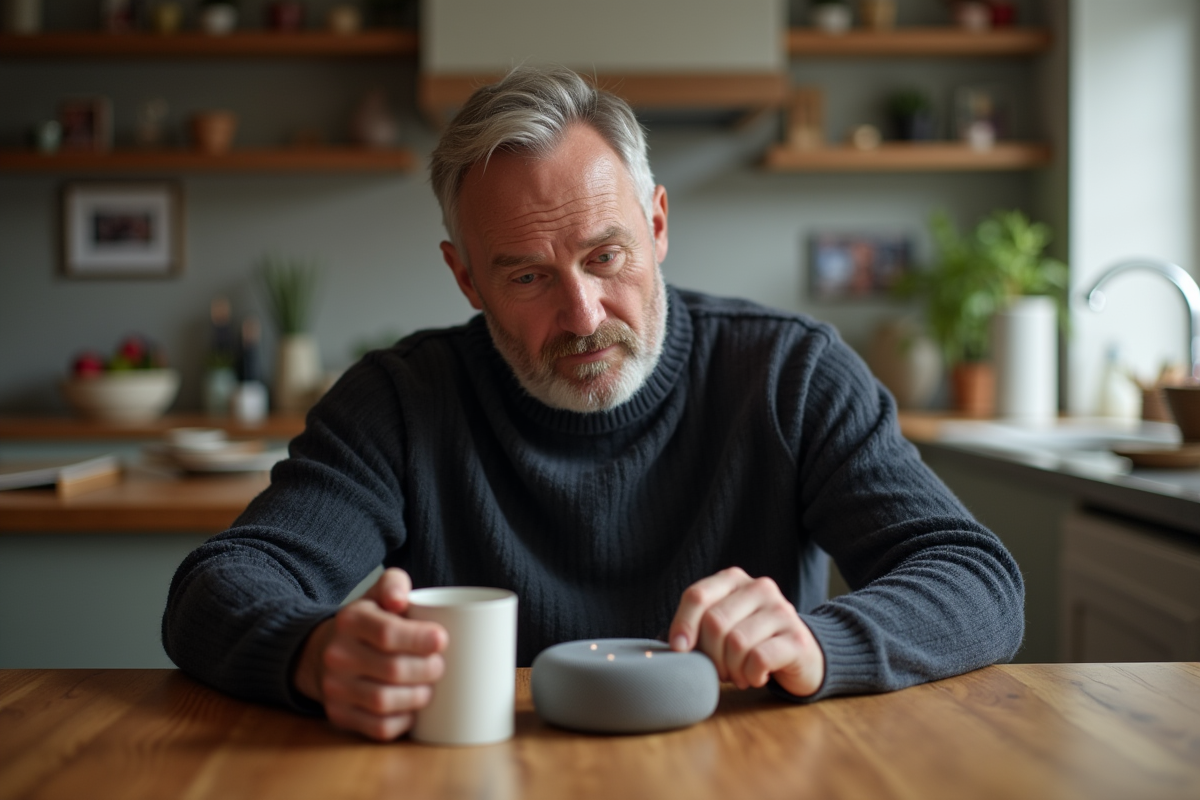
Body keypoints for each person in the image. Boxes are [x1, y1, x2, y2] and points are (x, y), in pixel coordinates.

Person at [163, 65, 1024, 742]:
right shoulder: (399, 401)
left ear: (655, 226)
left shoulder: (791, 372)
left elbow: (977, 580)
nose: (582, 317)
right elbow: (217, 587)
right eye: (529, 276)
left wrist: (821, 643)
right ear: (466, 278)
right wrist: (313, 654)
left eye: (605, 256)